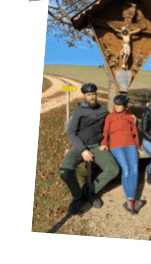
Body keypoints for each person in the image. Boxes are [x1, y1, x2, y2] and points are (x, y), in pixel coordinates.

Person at [59, 83, 120, 216]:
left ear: (96, 94)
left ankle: (91, 191)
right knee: (65, 170)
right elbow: (71, 133)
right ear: (85, 96)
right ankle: (78, 196)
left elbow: (111, 123)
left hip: (97, 146)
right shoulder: (79, 111)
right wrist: (83, 150)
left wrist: (127, 117)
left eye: (93, 94)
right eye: (88, 95)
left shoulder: (103, 110)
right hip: (79, 146)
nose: (92, 97)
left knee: (113, 169)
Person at [102, 93, 143, 215]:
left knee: (134, 169)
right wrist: (104, 143)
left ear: (125, 106)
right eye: (116, 104)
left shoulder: (130, 118)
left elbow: (134, 133)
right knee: (125, 168)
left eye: (120, 104)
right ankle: (131, 200)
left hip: (130, 144)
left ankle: (130, 202)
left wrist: (137, 146)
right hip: (116, 145)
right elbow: (105, 132)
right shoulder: (109, 117)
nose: (118, 106)